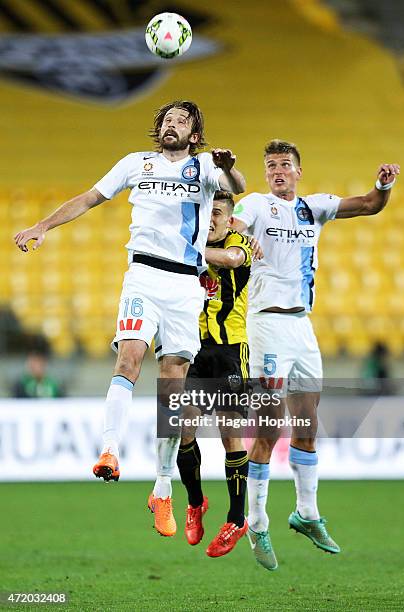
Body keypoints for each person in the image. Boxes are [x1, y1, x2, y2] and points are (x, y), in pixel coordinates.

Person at [14, 100, 246, 538]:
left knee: (172, 385)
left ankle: (162, 489)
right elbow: (88, 198)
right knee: (129, 360)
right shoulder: (135, 163)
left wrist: (230, 168)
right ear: (158, 129)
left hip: (183, 285)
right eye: (167, 120)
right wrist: (43, 225)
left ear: (195, 135)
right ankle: (109, 451)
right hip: (142, 274)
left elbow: (238, 183)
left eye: (183, 121)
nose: (172, 125)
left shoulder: (203, 170)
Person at [232, 139, 399, 569]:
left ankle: (306, 513)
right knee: (269, 428)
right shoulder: (256, 205)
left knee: (306, 426)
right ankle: (257, 521)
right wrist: (234, 238)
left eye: (285, 165)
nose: (277, 171)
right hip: (267, 322)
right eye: (271, 166)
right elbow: (232, 222)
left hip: (302, 327)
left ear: (299, 171)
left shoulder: (315, 207)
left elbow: (368, 205)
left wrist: (383, 186)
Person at [176, 190, 258, 559]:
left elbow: (229, 259)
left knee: (230, 436)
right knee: (183, 430)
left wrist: (183, 248)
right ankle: (196, 502)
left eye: (218, 213)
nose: (210, 219)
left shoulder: (239, 243)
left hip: (230, 352)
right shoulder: (187, 234)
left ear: (230, 219)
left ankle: (237, 519)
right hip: (195, 349)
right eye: (206, 212)